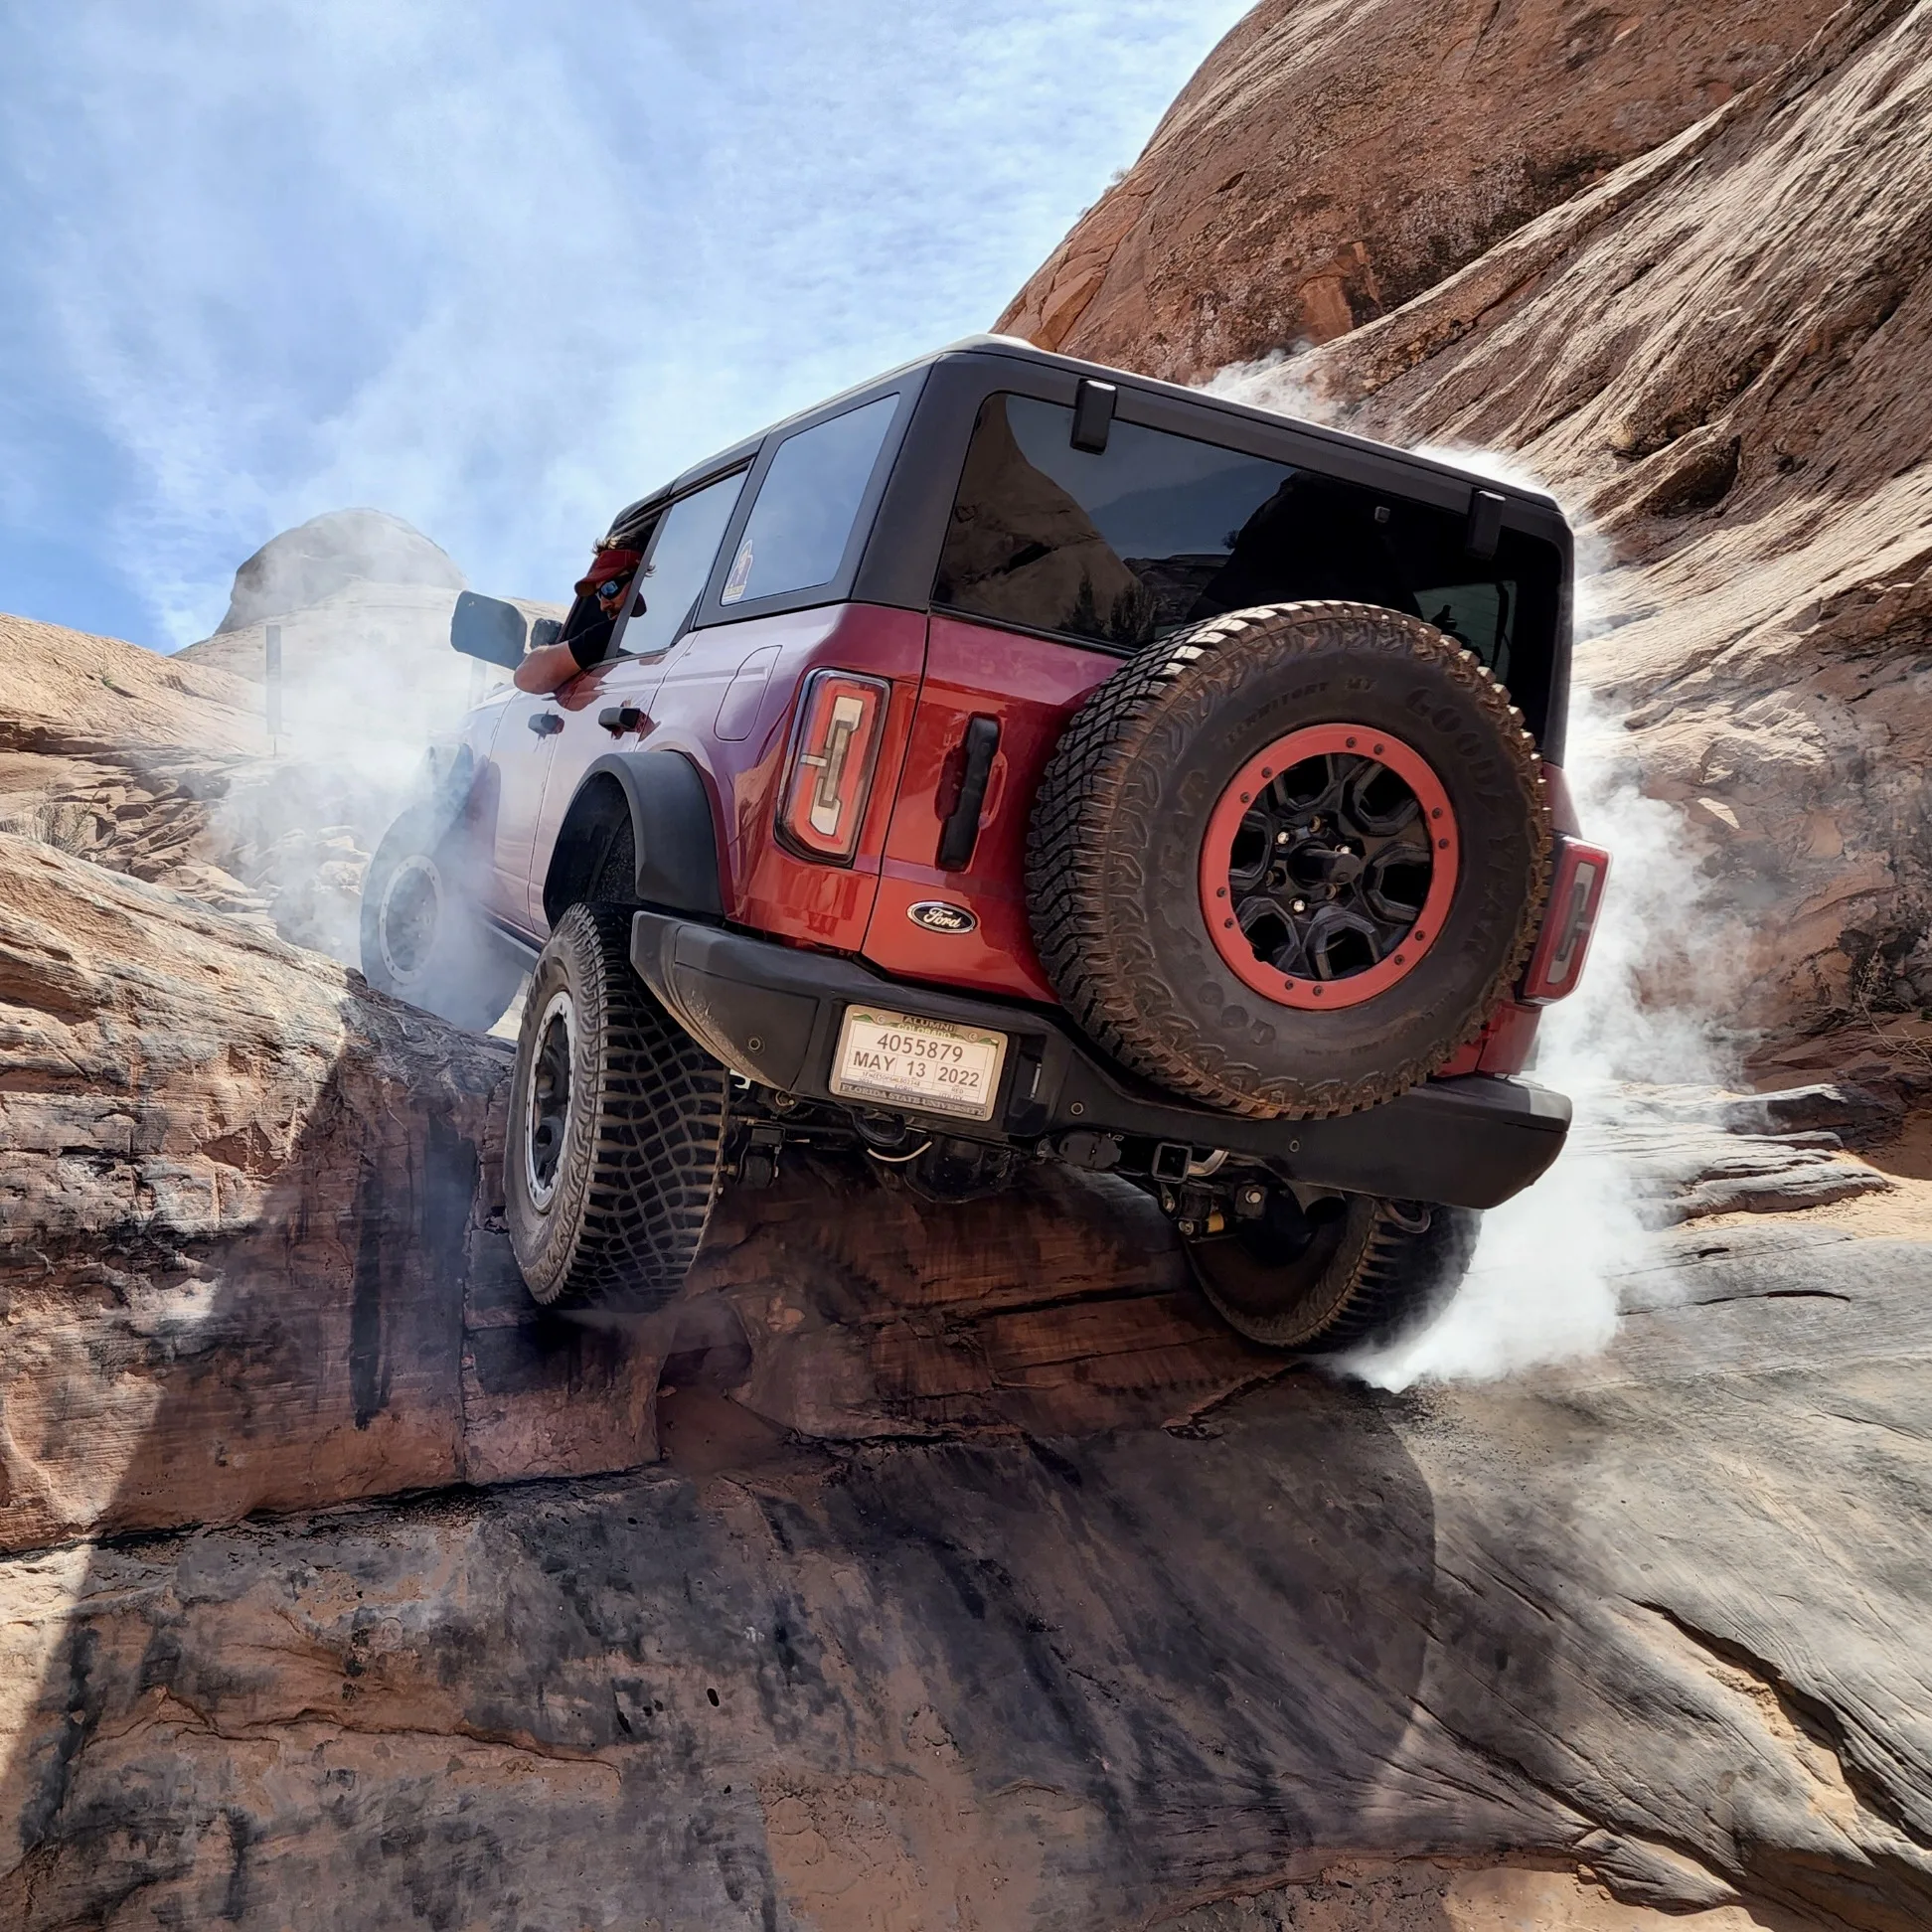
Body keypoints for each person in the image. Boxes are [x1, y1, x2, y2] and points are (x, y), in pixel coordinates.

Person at [513, 542, 641, 693]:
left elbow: (526, 677)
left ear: (640, 581)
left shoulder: (612, 634)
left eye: (609, 588)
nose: (603, 605)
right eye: (599, 595)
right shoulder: (630, 634)